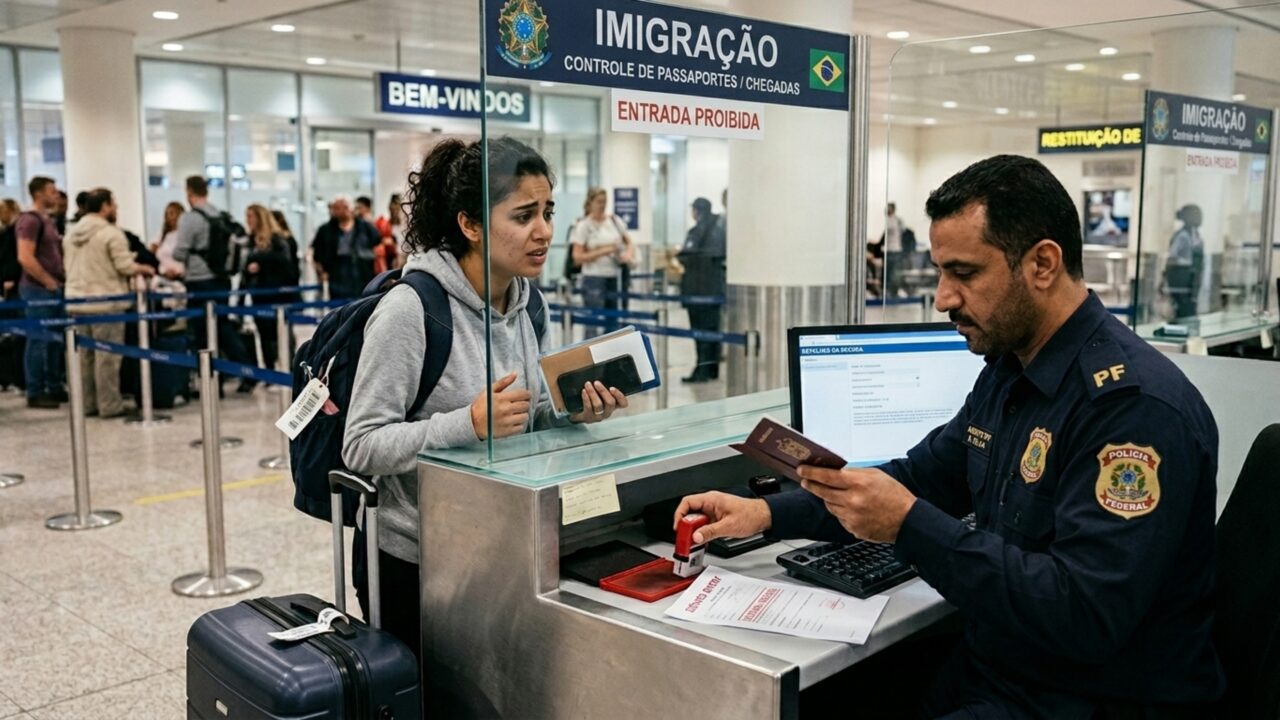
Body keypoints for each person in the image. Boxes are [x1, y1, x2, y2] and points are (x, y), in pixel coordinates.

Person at [675, 155, 1223, 718]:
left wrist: (910, 525)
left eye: (964, 273)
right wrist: (765, 516)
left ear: (1042, 264)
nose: (943, 298)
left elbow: (1084, 616)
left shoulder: (1131, 411)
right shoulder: (1012, 370)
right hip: (998, 670)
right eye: (940, 272)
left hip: (1087, 697)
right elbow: (924, 476)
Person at [341, 137, 630, 667]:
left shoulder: (527, 304)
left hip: (503, 545)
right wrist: (467, 423)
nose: (543, 231)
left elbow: (525, 417)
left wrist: (570, 413)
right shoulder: (410, 311)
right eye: (523, 215)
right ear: (471, 225)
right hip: (417, 562)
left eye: (547, 212)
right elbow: (360, 445)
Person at [62, 188, 155, 418]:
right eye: (113, 204)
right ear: (104, 206)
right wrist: (144, 268)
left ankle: (87, 404)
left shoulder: (71, 235)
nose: (115, 208)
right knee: (108, 358)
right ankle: (109, 405)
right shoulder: (111, 234)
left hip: (77, 301)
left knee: (85, 357)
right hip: (107, 302)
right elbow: (124, 266)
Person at [171, 175, 250, 372]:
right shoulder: (219, 214)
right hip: (222, 279)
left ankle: (212, 377)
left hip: (199, 281)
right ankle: (246, 368)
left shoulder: (190, 218)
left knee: (202, 333)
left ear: (189, 192)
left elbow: (179, 253)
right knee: (222, 327)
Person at [16, 176, 66, 409]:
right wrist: (48, 282)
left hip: (53, 286)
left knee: (56, 340)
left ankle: (54, 386)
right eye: (51, 191)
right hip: (37, 289)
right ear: (39, 194)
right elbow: (25, 256)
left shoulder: (49, 220)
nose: (56, 195)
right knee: (38, 339)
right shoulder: (30, 221)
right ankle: (35, 389)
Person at [570, 187, 634, 336]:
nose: (602, 205)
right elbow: (577, 257)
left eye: (605, 202)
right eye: (599, 201)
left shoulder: (614, 221)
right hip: (593, 278)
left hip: (614, 277)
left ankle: (612, 355)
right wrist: (605, 250)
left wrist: (627, 255)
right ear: (590, 203)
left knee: (613, 323)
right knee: (593, 323)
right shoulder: (583, 226)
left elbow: (629, 242)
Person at [241, 204, 294, 379]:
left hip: (277, 294)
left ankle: (290, 369)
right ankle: (270, 371)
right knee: (263, 334)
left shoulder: (277, 239)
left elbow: (286, 264)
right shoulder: (250, 240)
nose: (248, 220)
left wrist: (260, 261)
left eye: (251, 216)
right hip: (258, 294)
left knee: (281, 334)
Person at [676, 197, 725, 383]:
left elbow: (685, 255)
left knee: (700, 332)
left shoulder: (696, 232)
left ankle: (701, 370)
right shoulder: (720, 230)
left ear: (697, 211)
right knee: (712, 330)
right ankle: (711, 369)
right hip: (714, 289)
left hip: (696, 289)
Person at [311, 195, 380, 298]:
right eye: (338, 208)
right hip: (337, 274)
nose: (342, 211)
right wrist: (321, 272)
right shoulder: (325, 230)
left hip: (362, 272)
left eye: (345, 207)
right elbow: (317, 253)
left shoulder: (365, 227)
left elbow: (377, 244)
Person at [1165, 204, 1204, 319]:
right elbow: (1172, 256)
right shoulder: (1183, 235)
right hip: (1181, 280)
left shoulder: (1195, 235)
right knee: (1184, 311)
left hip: (1190, 281)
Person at [151, 201, 186, 279]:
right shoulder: (160, 235)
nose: (170, 217)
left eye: (172, 213)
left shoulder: (186, 235)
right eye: (167, 214)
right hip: (162, 276)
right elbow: (151, 255)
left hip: (182, 276)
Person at [373, 193, 404, 273]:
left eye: (398, 209)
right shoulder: (385, 225)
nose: (396, 213)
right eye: (393, 210)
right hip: (391, 261)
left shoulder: (407, 227)